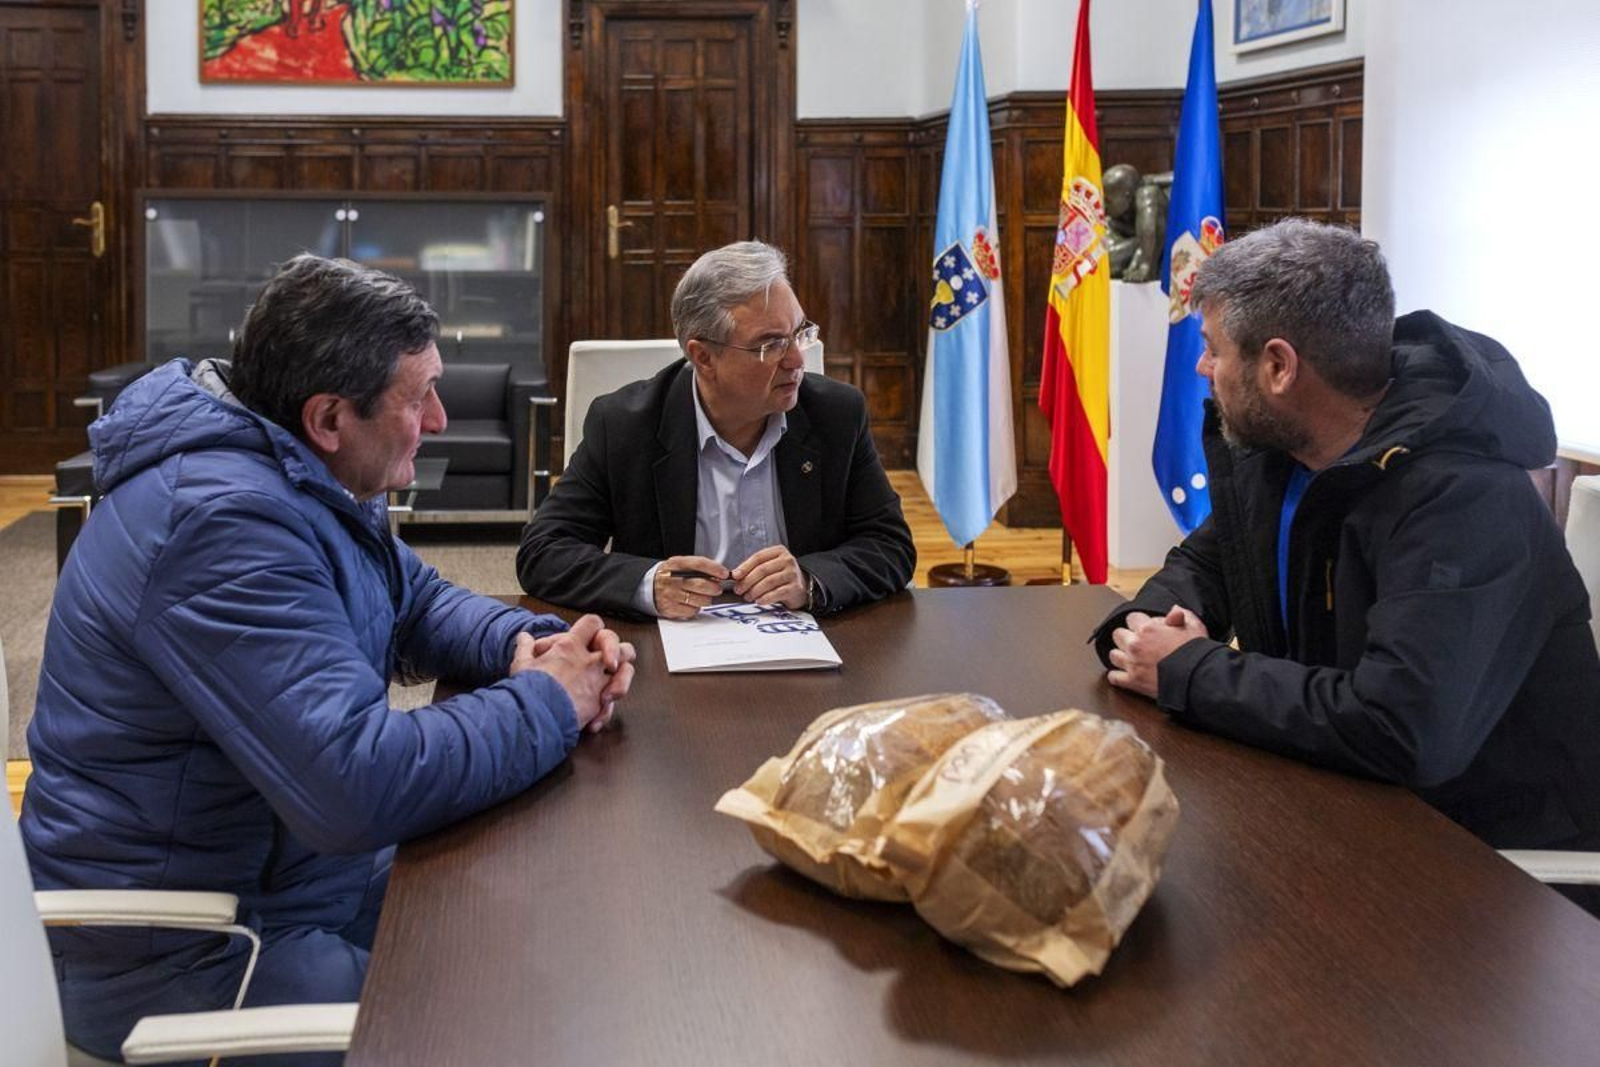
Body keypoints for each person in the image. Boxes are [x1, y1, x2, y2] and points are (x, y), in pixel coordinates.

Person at [21, 254, 636, 1064]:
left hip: (285, 875)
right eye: (420, 398)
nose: (442, 418)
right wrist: (550, 702)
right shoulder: (221, 526)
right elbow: (356, 780)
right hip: (184, 945)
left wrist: (526, 644)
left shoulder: (295, 470)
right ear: (329, 417)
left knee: (538, 912)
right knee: (512, 1017)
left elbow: (411, 597)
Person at [1093, 218, 1600, 912]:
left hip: (1494, 882)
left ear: (1278, 367)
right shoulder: (1291, 447)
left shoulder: (1466, 498)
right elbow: (1210, 559)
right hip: (1344, 812)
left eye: (1211, 348)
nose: (1202, 368)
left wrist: (1187, 668)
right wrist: (1146, 623)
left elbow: (1402, 729)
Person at [518, 240, 915, 619]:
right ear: (704, 357)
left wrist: (810, 579)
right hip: (671, 653)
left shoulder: (837, 414)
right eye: (771, 344)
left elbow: (890, 545)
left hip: (807, 649)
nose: (797, 359)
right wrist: (647, 584)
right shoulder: (624, 426)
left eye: (799, 333)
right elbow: (543, 552)